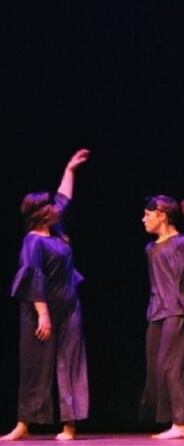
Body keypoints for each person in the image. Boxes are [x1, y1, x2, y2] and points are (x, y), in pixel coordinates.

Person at [2, 149, 90, 442]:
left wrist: (70, 169)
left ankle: (69, 425)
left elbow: (64, 198)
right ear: (41, 213)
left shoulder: (56, 230)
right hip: (40, 310)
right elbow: (34, 278)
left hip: (69, 306)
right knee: (34, 364)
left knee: (70, 362)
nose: (56, 207)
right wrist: (43, 315)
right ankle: (24, 423)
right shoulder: (33, 242)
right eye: (51, 205)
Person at [139, 194, 184, 440]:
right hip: (156, 312)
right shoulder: (150, 249)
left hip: (177, 310)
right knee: (157, 369)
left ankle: (181, 423)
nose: (143, 219)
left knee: (173, 367)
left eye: (147, 215)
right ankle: (173, 422)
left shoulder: (181, 243)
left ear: (162, 215)